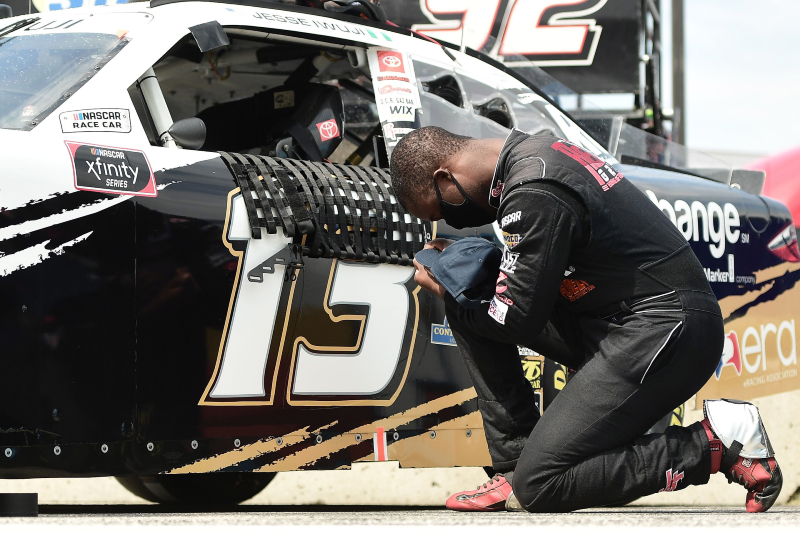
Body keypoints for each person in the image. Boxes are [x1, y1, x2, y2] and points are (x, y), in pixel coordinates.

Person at [389, 126, 782, 513]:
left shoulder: (534, 189)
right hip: (620, 320)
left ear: (445, 177)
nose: (451, 221)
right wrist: (455, 275)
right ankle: (514, 463)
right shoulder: (533, 155)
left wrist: (445, 291)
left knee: (541, 485)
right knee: (469, 287)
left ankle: (714, 444)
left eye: (439, 210)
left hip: (668, 328)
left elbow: (516, 322)